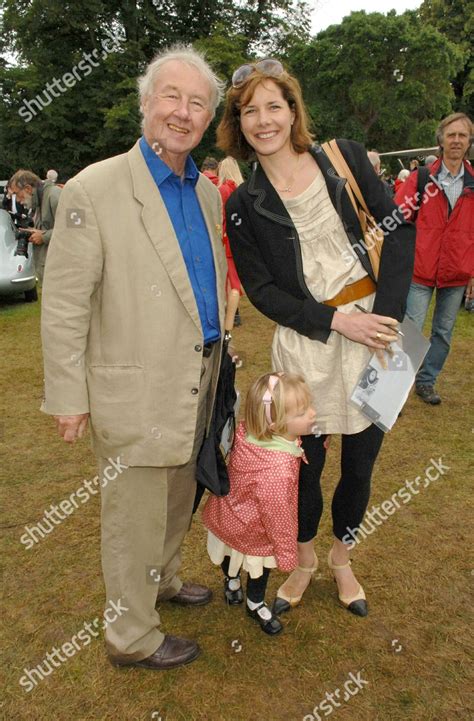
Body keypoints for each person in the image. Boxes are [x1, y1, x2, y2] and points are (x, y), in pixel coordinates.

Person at [41, 45, 228, 671]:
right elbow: (65, 304)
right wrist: (67, 397)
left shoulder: (206, 192)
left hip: (195, 379)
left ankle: (164, 582)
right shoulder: (92, 189)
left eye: (197, 103)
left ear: (208, 118)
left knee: (178, 498)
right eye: (171, 97)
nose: (182, 112)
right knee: (134, 517)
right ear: (146, 104)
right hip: (133, 387)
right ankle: (131, 637)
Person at [217, 58, 415, 617]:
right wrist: (337, 321)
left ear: (293, 109)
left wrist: (388, 320)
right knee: (301, 465)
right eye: (249, 110)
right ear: (238, 122)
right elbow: (259, 291)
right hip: (309, 344)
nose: (263, 120)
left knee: (362, 466)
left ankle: (342, 559)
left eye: (273, 106)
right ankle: (302, 560)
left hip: (382, 335)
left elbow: (399, 231)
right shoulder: (242, 203)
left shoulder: (344, 158)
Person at [202, 371, 318, 635]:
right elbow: (279, 518)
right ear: (275, 423)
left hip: (227, 517)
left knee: (228, 554)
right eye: (302, 412)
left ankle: (231, 583)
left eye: (309, 405)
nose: (313, 413)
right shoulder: (277, 471)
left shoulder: (247, 433)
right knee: (258, 571)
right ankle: (255, 602)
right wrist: (288, 554)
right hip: (256, 533)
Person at [395, 112, 473, 405]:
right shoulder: (421, 179)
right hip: (421, 270)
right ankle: (396, 389)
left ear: (468, 142)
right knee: (410, 330)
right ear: (441, 139)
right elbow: (397, 219)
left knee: (443, 332)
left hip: (456, 272)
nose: (456, 140)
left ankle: (426, 381)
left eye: (462, 135)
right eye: (451, 135)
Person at [9, 169, 61, 282]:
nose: (18, 201)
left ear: (27, 188)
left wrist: (43, 237)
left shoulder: (54, 195)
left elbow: (74, 230)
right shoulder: (39, 201)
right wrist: (34, 232)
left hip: (62, 273)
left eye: (17, 194)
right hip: (51, 273)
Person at [217, 157, 244, 323]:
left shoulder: (223, 190)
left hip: (226, 239)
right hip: (240, 238)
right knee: (235, 277)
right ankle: (236, 314)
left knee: (230, 279)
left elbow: (219, 215)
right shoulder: (242, 189)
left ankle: (232, 316)